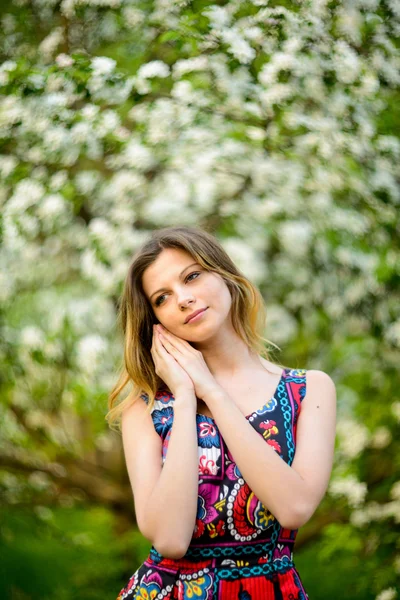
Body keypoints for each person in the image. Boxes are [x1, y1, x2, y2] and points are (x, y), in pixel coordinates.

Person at [107, 225, 336, 600]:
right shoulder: (145, 407)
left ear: (225, 275)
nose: (182, 299)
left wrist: (211, 391)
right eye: (162, 297)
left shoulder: (309, 389)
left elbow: (294, 508)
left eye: (192, 276)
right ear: (156, 321)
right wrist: (184, 396)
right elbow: (170, 539)